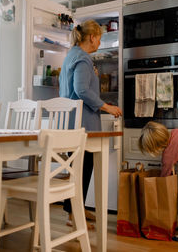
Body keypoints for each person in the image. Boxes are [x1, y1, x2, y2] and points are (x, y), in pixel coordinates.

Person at [59, 20, 122, 229]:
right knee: (83, 169)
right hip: (82, 123)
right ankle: (74, 215)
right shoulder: (83, 59)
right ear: (93, 37)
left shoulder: (72, 55)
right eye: (100, 38)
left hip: (70, 123)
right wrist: (108, 107)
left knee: (78, 169)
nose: (100, 42)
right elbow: (82, 91)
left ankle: (77, 208)